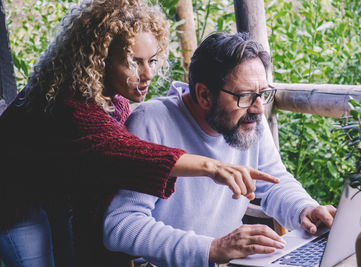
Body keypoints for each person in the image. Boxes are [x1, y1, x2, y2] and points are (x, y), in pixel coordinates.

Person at [0, 2, 278, 266]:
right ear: (100, 61)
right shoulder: (69, 102)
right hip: (14, 199)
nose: (148, 74)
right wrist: (211, 166)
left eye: (153, 60)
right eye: (134, 63)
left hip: (54, 194)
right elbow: (126, 152)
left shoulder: (116, 100)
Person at [103, 32, 337, 266]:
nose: (258, 108)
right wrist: (212, 248)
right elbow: (121, 225)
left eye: (262, 94)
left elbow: (275, 182)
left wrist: (304, 209)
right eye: (244, 96)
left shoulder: (249, 118)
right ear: (204, 95)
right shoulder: (151, 123)